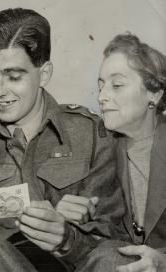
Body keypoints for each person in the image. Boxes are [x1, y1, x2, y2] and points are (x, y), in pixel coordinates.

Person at [0, 8, 125, 272]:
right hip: (5, 263)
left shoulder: (90, 132)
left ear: (43, 74)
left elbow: (113, 231)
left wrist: (66, 238)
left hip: (76, 265)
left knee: (115, 256)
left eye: (13, 76)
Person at [67, 33, 166, 272]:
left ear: (154, 93)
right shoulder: (99, 146)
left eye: (117, 85)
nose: (101, 97)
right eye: (100, 86)